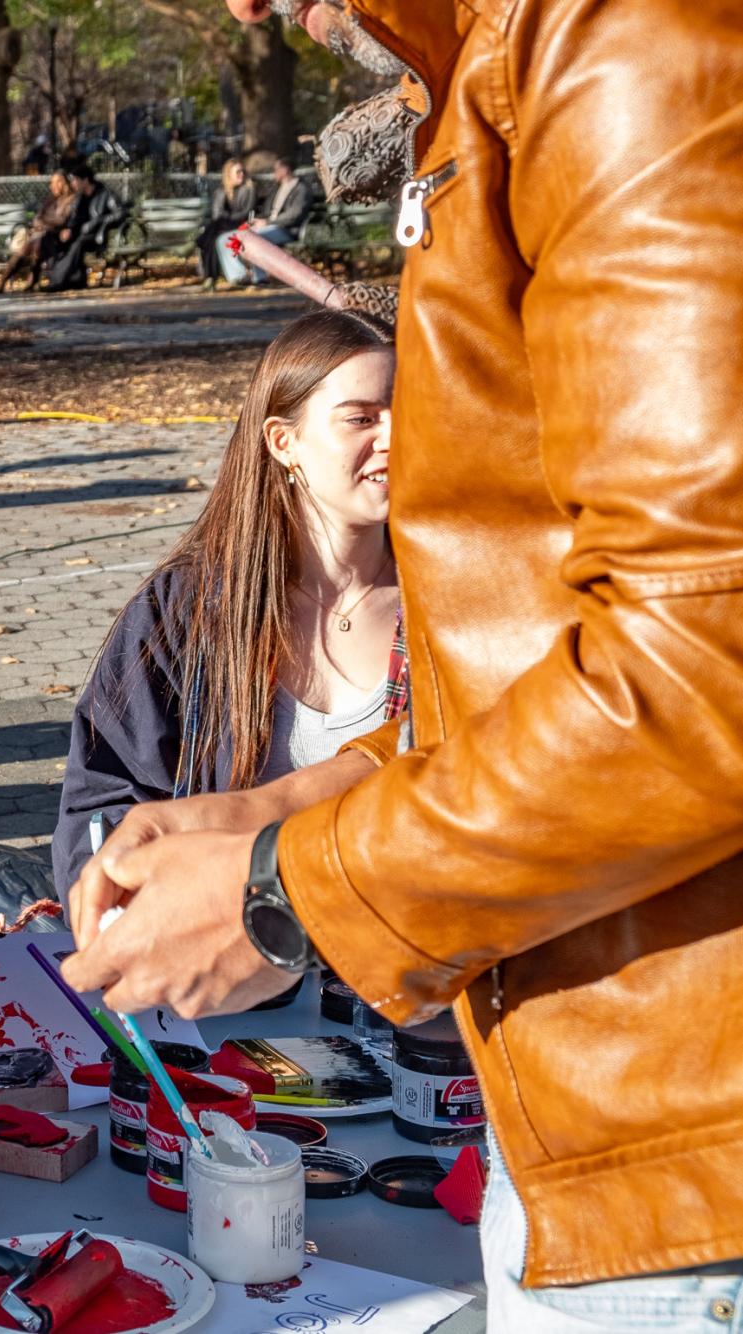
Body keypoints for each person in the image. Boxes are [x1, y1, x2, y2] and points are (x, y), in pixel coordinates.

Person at [65, 0, 743, 1328]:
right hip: (616, 1110)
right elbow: (560, 665)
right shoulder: (516, 61)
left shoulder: (625, 40)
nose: (244, 12)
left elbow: (705, 660)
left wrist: (286, 894)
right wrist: (281, 807)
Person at [51, 308, 397, 897]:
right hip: (231, 972)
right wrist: (120, 909)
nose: (395, 438)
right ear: (284, 442)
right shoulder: (189, 607)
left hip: (413, 970)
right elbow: (104, 799)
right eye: (361, 418)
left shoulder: (456, 605)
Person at [219, 156, 311, 286]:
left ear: (285, 170)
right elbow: (268, 211)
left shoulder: (301, 188)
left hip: (286, 229)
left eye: (276, 169)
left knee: (254, 238)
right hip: (268, 227)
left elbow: (294, 215)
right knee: (225, 238)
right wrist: (258, 220)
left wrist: (268, 223)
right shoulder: (277, 188)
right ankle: (238, 277)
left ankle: (260, 278)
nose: (274, 173)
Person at [42, 163, 125, 293]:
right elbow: (75, 218)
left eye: (75, 180)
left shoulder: (105, 194)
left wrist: (100, 220)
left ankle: (57, 281)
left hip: (96, 235)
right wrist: (67, 229)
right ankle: (75, 279)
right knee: (51, 239)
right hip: (80, 232)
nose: (73, 183)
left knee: (77, 243)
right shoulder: (80, 197)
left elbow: (120, 213)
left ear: (85, 180)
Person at [0, 170, 78, 294]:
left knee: (36, 243)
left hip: (57, 238)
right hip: (41, 236)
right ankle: (24, 282)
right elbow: (37, 218)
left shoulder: (71, 200)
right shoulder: (51, 199)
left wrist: (44, 224)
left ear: (62, 183)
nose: (51, 186)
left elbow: (62, 221)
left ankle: (13, 281)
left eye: (54, 183)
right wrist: (43, 223)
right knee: (33, 245)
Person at [196, 157, 255, 289]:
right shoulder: (221, 191)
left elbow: (245, 213)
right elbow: (217, 212)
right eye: (238, 172)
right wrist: (226, 217)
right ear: (229, 174)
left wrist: (228, 217)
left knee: (210, 234)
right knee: (212, 240)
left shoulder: (248, 190)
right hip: (223, 226)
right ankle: (211, 278)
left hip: (240, 225)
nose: (241, 174)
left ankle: (210, 278)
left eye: (243, 171)